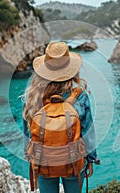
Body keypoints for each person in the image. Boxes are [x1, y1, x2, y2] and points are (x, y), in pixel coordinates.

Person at [22, 41, 98, 193]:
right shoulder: (80, 97)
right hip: (73, 161)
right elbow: (87, 132)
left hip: (44, 161)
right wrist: (91, 159)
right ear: (72, 71)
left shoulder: (31, 98)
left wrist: (31, 158)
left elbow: (27, 133)